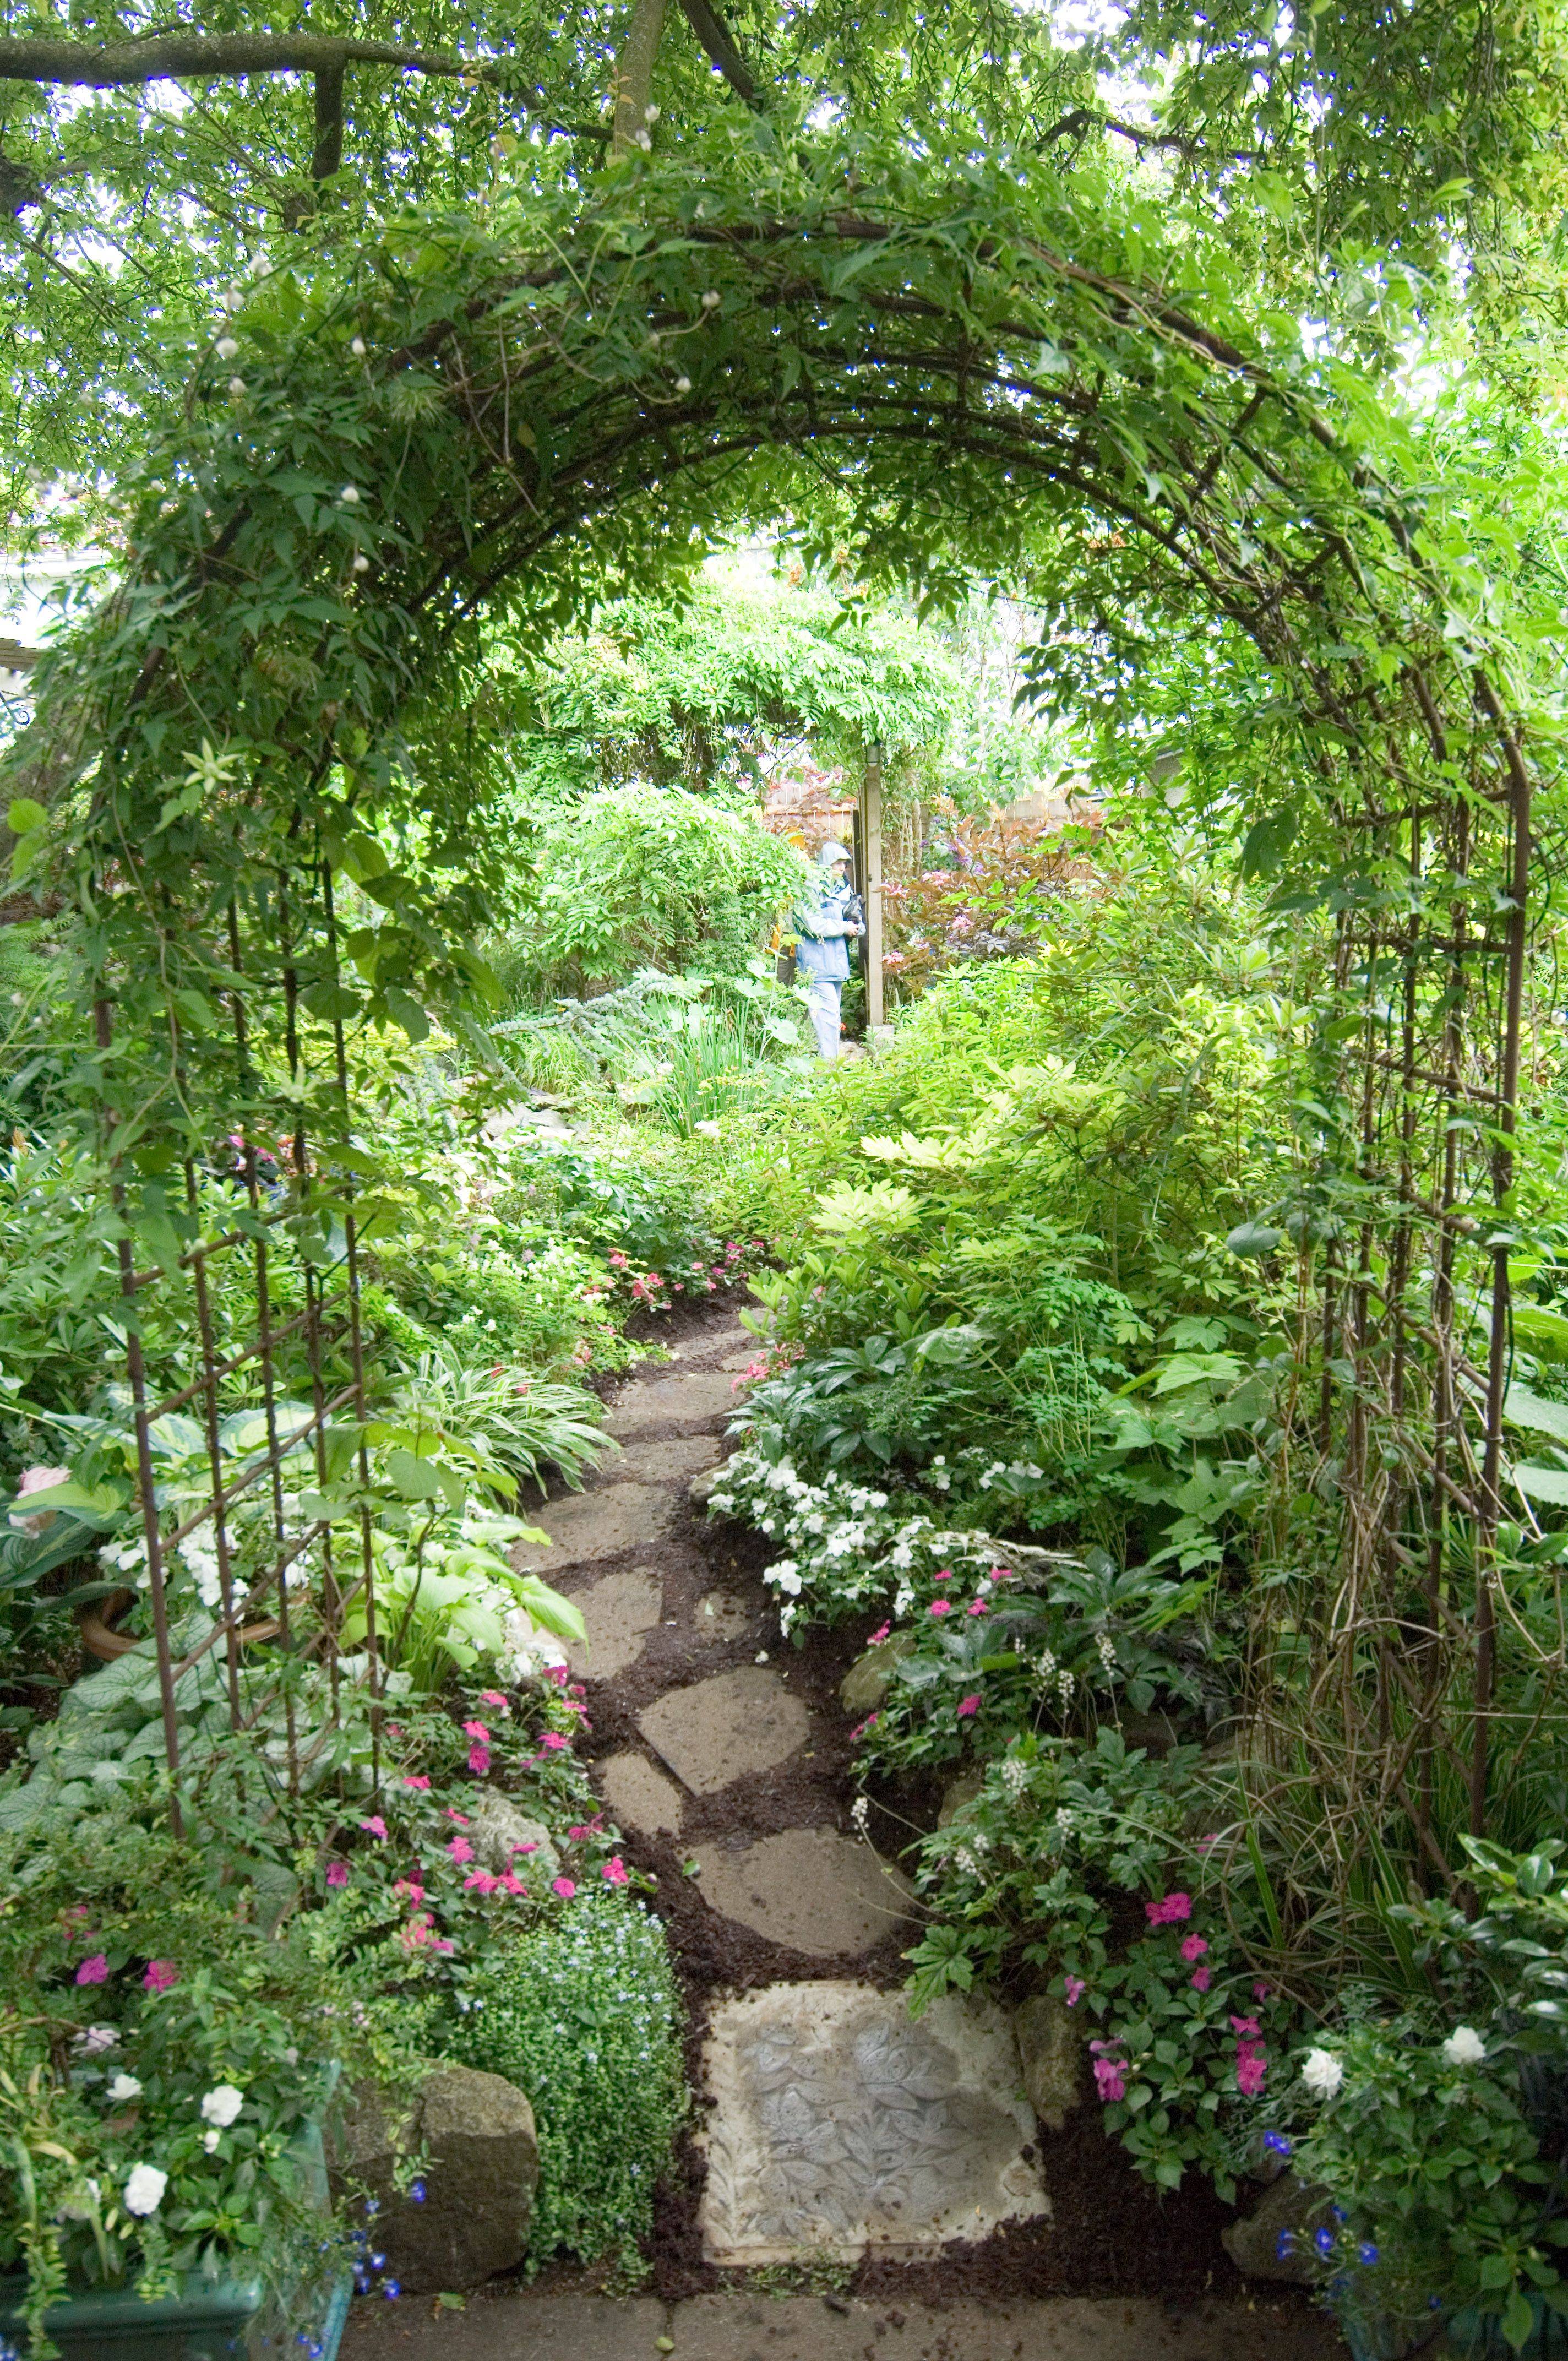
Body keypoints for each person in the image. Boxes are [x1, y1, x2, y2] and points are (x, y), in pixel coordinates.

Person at [792, 839, 863, 1060]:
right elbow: (812, 924)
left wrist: (856, 926)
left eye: (845, 863)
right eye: (837, 863)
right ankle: (830, 1067)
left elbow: (856, 924)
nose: (842, 868)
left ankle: (828, 1064)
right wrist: (844, 927)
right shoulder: (808, 889)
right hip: (815, 966)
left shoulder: (844, 890)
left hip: (837, 965)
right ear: (825, 864)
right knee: (828, 1016)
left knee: (830, 1015)